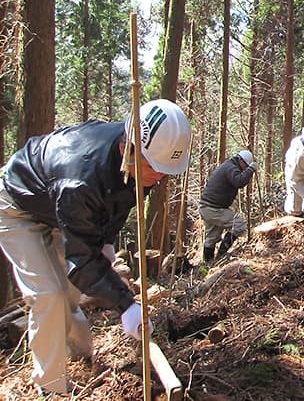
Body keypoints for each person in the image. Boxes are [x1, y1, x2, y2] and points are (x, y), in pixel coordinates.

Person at [0, 99, 191, 395]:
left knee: (71, 291)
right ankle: (51, 387)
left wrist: (107, 246)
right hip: (16, 207)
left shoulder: (137, 163)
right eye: (154, 168)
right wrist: (125, 304)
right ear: (129, 149)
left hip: (57, 208)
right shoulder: (80, 179)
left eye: (165, 170)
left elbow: (115, 205)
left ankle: (80, 355)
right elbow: (81, 260)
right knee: (50, 295)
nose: (160, 176)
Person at [198, 150, 256, 262]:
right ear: (241, 161)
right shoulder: (231, 168)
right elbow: (239, 182)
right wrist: (251, 169)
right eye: (245, 166)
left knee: (211, 238)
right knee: (239, 225)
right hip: (213, 208)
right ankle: (221, 255)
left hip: (208, 207)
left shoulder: (228, 166)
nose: (244, 169)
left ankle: (208, 264)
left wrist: (249, 169)